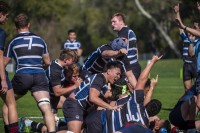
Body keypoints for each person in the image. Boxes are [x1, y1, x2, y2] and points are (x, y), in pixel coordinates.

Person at [83, 55, 171, 133]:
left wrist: (152, 62)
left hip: (98, 118)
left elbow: (142, 80)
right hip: (104, 127)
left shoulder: (136, 102)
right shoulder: (144, 125)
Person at [3, 13, 56, 133]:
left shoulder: (13, 41)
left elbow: (4, 63)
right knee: (46, 107)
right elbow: (47, 62)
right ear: (29, 24)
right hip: (39, 76)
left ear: (16, 26)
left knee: (8, 105)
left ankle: (10, 131)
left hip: (22, 76)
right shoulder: (40, 40)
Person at [63, 61, 122, 133]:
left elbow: (107, 97)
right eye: (117, 74)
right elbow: (93, 98)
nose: (118, 77)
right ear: (109, 71)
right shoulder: (99, 78)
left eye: (120, 75)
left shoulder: (103, 83)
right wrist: (110, 107)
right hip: (74, 104)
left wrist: (122, 96)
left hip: (82, 108)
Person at [0, 1, 19, 133]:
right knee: (11, 104)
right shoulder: (1, 33)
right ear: (0, 14)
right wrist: (2, 79)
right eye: (6, 16)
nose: (6, 19)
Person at [111, 12, 141, 81]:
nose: (112, 24)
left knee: (124, 90)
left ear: (121, 22)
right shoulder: (129, 31)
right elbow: (136, 50)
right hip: (134, 66)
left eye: (114, 22)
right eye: (111, 22)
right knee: (132, 90)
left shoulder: (123, 30)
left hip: (129, 67)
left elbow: (122, 45)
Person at [174, 4, 198, 91]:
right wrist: (177, 13)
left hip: (195, 65)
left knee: (197, 88)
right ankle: (190, 103)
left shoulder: (197, 39)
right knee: (187, 89)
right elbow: (180, 26)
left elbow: (192, 54)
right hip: (186, 65)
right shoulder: (185, 38)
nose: (188, 32)